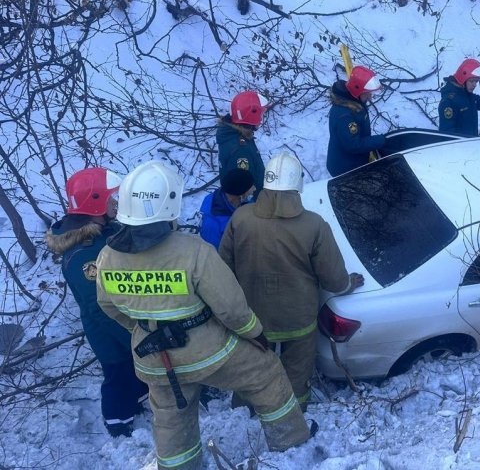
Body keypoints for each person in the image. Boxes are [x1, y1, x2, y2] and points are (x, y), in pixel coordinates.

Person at [95, 161, 311, 470]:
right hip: (207, 351)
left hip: (152, 358)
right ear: (170, 203)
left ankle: (179, 465)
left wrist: (145, 327)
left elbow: (108, 306)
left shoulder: (107, 257)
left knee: (170, 417)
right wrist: (254, 333)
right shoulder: (192, 250)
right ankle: (291, 442)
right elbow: (231, 307)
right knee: (266, 374)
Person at [219, 152, 364, 409]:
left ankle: (245, 408)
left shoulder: (240, 218)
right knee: (297, 371)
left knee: (252, 369)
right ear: (297, 185)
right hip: (297, 318)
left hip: (252, 319)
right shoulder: (313, 225)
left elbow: (223, 269)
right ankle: (294, 414)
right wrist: (348, 284)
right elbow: (332, 278)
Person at [45, 167, 149, 438]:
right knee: (117, 374)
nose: (117, 203)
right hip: (110, 331)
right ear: (95, 203)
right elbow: (100, 307)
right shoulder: (84, 256)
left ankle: (136, 403)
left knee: (132, 370)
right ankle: (117, 422)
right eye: (112, 198)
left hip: (123, 321)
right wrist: (134, 334)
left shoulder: (100, 232)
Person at [326, 66, 386, 176]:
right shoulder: (345, 117)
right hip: (344, 168)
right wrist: (380, 140)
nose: (370, 98)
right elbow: (354, 145)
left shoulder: (353, 102)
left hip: (353, 160)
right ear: (357, 91)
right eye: (367, 94)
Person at [217, 90, 270, 191]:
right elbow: (243, 191)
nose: (261, 119)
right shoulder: (241, 149)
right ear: (250, 115)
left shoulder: (232, 136)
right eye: (260, 114)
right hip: (255, 204)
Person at [198, 168, 255, 250]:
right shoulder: (212, 224)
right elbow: (213, 255)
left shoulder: (245, 201)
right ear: (240, 193)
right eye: (251, 187)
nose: (254, 189)